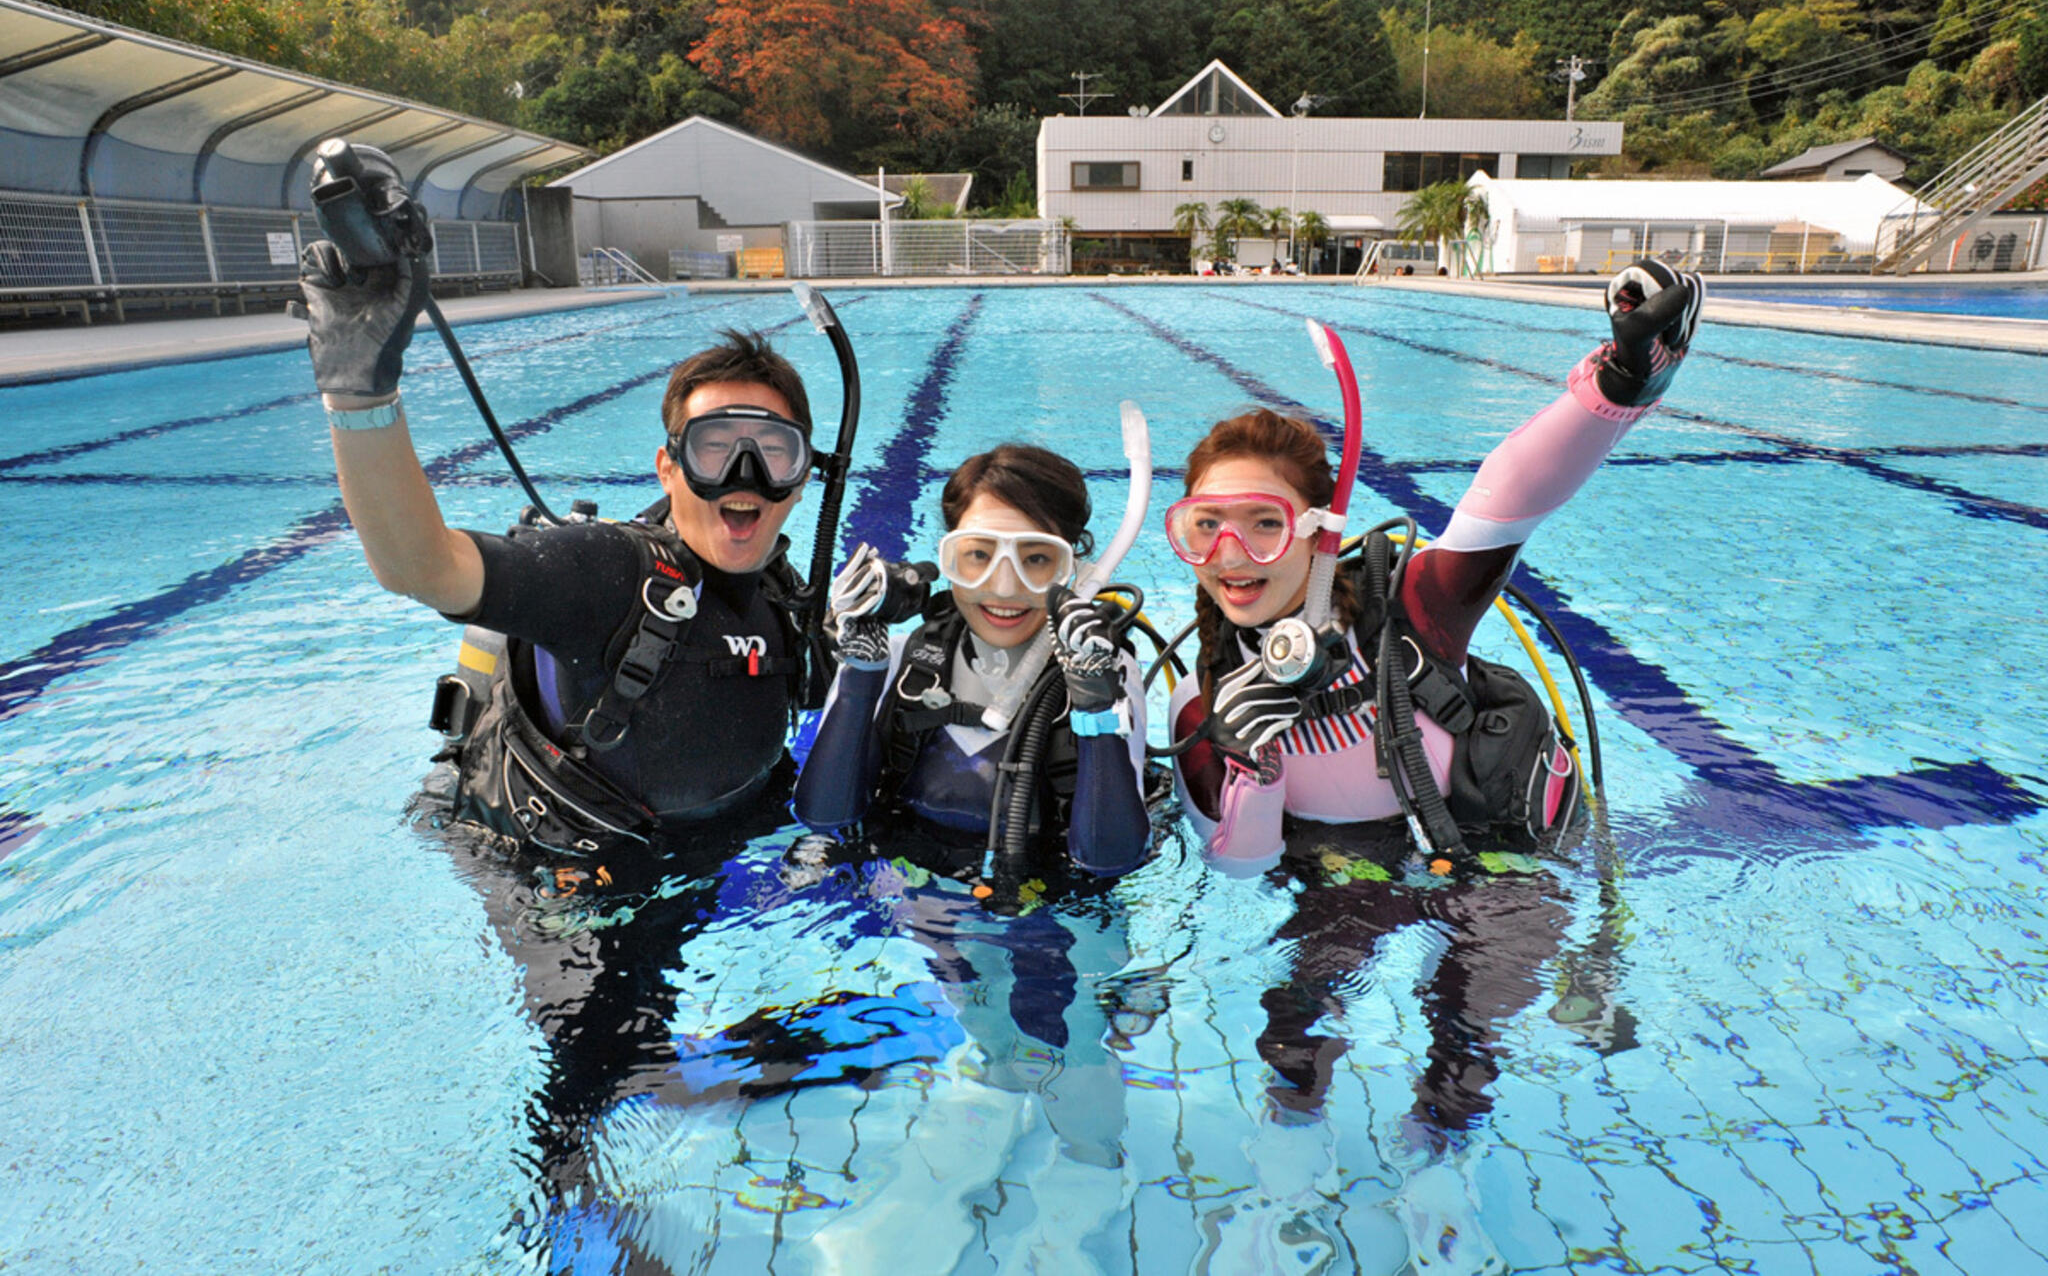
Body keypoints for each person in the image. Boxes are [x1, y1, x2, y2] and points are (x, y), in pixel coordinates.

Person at [1165, 260, 1703, 1126]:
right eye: (1205, 526)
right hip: (1339, 880)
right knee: (1293, 1037)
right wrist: (1252, 772)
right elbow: (1240, 870)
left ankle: (1440, 1175)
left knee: (1467, 1043)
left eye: (1265, 523)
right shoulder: (1203, 707)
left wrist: (1616, 386)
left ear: (1321, 532)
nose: (1232, 552)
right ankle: (1288, 1175)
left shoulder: (1415, 607)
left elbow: (1504, 500)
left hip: (1496, 867)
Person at [295, 145, 821, 860]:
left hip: (724, 843)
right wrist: (360, 397)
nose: (744, 477)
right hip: (579, 890)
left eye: (773, 454)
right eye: (714, 448)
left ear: (803, 477)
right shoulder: (605, 575)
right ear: (667, 469)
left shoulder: (786, 595)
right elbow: (420, 565)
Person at [793, 443, 1152, 894]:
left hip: (1049, 911)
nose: (1004, 588)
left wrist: (1096, 703)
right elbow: (824, 819)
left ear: (1073, 570)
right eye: (979, 555)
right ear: (950, 559)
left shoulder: (1106, 672)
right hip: (905, 900)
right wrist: (862, 672)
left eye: (1036, 559)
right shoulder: (898, 660)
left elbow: (1108, 862)